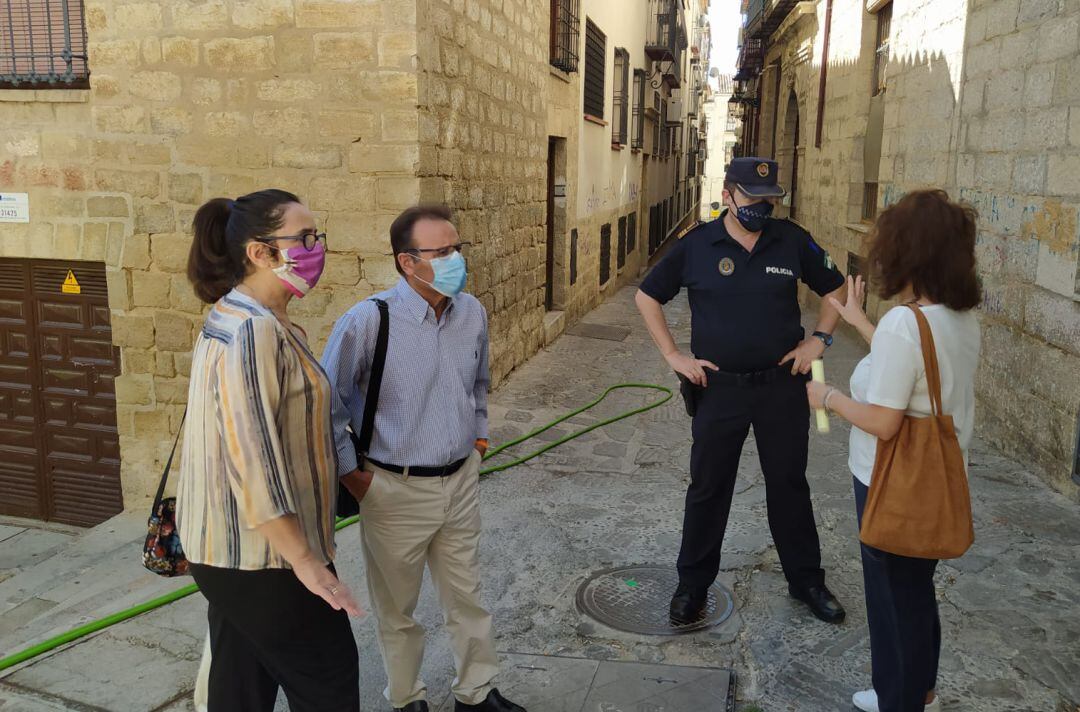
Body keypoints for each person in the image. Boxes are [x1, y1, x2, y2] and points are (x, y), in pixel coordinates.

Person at [322, 205, 525, 712]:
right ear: (407, 263)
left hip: (459, 482)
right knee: (398, 609)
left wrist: (478, 443)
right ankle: (407, 698)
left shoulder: (471, 312)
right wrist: (354, 477)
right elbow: (326, 407)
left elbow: (478, 385)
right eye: (444, 252)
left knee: (467, 597)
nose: (457, 259)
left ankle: (476, 693)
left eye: (459, 248)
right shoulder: (369, 321)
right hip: (393, 489)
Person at [635, 157, 849, 626]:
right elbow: (647, 296)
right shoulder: (696, 244)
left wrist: (820, 340)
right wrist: (674, 357)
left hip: (782, 387)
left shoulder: (792, 240)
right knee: (709, 488)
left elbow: (838, 290)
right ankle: (692, 585)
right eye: (753, 197)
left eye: (769, 198)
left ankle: (806, 580)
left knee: (789, 484)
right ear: (728, 194)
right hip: (719, 390)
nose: (762, 207)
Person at [177, 189, 362, 711]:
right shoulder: (253, 330)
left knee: (241, 683)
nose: (315, 247)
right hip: (263, 557)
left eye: (316, 236)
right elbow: (251, 458)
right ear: (260, 252)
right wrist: (307, 561)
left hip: (230, 549)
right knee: (328, 678)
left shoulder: (250, 317)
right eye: (303, 238)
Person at [807, 189, 982, 712]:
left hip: (890, 481)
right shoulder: (956, 318)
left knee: (890, 603)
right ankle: (913, 690)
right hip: (937, 479)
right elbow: (913, 361)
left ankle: (898, 700)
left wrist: (829, 397)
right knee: (915, 592)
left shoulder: (909, 324)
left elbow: (884, 422)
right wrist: (861, 322)